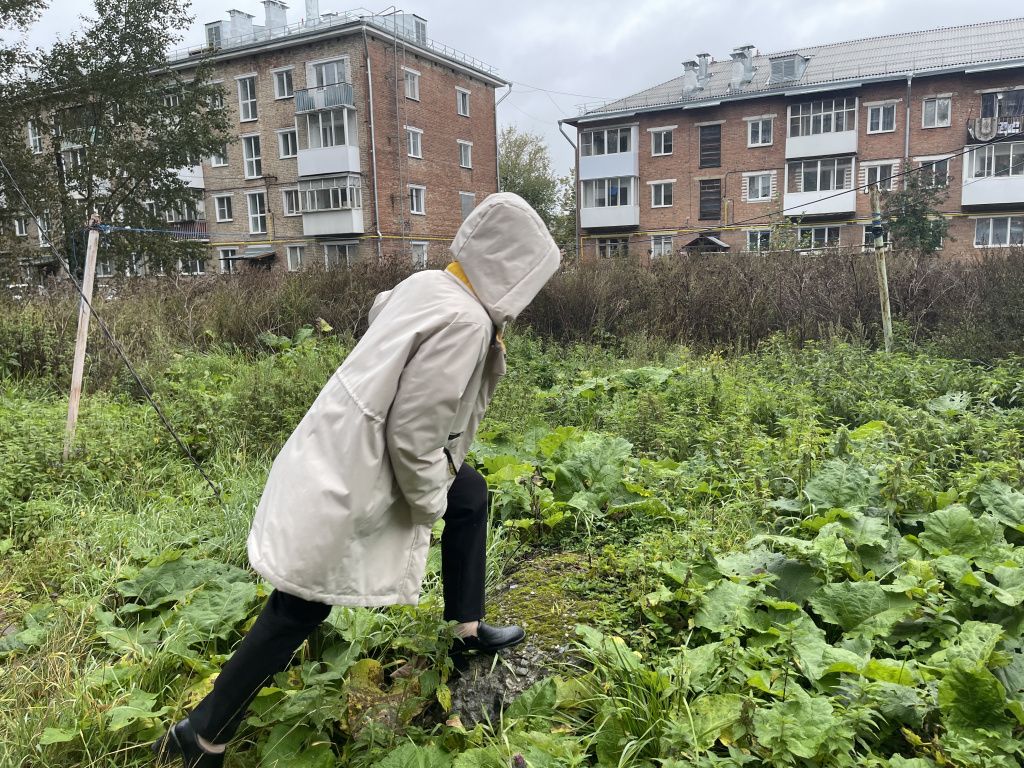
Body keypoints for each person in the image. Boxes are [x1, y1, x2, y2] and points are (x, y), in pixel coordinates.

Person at [151, 192, 561, 767]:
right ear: (514, 268)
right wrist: (426, 504)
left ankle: (465, 630)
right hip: (357, 469)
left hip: (340, 444)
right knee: (300, 606)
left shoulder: (431, 285)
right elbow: (414, 433)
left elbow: (379, 312)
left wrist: (445, 487)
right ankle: (201, 734)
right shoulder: (466, 319)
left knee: (470, 491)